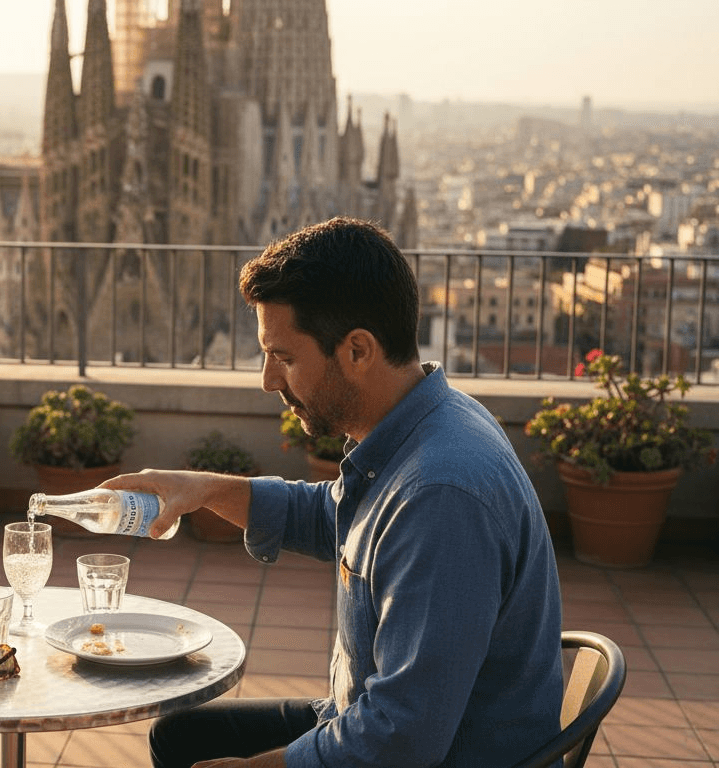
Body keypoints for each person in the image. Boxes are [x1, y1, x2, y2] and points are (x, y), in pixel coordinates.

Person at [106, 218, 563, 767]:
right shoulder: (430, 419)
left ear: (358, 350)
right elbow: (336, 516)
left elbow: (402, 739)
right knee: (180, 737)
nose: (268, 381)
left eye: (285, 358)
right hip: (378, 723)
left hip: (439, 755)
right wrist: (201, 489)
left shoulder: (440, 496)